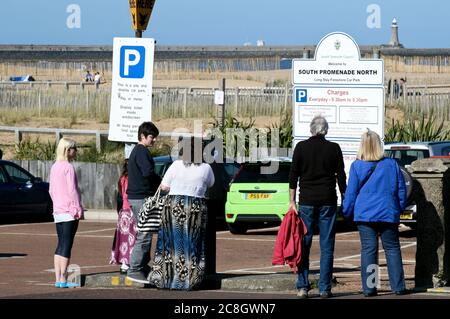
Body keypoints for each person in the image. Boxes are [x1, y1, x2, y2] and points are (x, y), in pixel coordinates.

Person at [342, 130, 407, 297]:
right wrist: (398, 208)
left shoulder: (357, 166)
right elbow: (401, 189)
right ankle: (398, 286)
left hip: (365, 213)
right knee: (392, 248)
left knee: (369, 250)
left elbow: (351, 193)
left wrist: (346, 211)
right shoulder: (391, 164)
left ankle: (371, 287)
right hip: (387, 211)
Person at [288, 115, 347, 299]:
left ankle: (303, 286)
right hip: (328, 200)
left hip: (306, 201)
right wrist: (345, 197)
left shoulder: (301, 147)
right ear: (326, 130)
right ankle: (324, 288)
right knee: (327, 245)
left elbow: (293, 176)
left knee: (304, 244)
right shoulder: (334, 148)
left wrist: (292, 202)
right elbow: (341, 176)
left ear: (311, 129)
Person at [148, 137, 215, 290]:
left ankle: (166, 279)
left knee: (170, 242)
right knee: (192, 243)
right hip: (195, 207)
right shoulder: (206, 168)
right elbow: (211, 183)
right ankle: (190, 281)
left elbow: (164, 186)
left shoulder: (176, 165)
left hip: (173, 205)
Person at [126, 122, 162, 284]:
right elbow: (148, 172)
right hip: (140, 197)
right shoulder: (141, 151)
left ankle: (141, 266)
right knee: (145, 234)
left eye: (155, 137)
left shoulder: (138, 151)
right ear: (142, 136)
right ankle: (134, 269)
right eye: (151, 137)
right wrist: (162, 182)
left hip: (138, 196)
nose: (154, 140)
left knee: (145, 232)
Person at [49, 137, 83, 288]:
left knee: (60, 243)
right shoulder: (68, 167)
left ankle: (58, 277)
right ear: (67, 150)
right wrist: (77, 208)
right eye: (74, 148)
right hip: (69, 211)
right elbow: (72, 191)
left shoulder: (55, 167)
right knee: (67, 245)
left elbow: (51, 190)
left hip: (58, 210)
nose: (76, 151)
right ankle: (63, 278)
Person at [110, 158, 138, 274]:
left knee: (123, 240)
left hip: (123, 213)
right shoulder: (133, 179)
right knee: (133, 238)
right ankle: (130, 262)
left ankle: (124, 263)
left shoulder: (122, 179)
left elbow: (120, 196)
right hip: (130, 212)